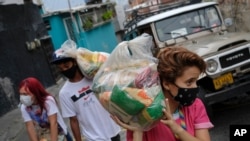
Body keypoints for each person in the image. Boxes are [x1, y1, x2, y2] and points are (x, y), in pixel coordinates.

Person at [111, 46, 214, 141]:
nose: (195, 87)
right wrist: (138, 131)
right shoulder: (144, 115)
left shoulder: (195, 106)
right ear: (167, 84)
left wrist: (177, 130)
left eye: (196, 81)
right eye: (189, 82)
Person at [50, 48, 121, 141]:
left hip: (113, 130)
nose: (64, 70)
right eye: (60, 68)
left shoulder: (94, 77)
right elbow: (73, 120)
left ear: (74, 62)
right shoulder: (64, 93)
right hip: (93, 138)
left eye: (66, 66)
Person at [19, 77, 73, 141]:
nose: (22, 97)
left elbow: (53, 123)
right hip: (45, 134)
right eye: (21, 94)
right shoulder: (24, 107)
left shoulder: (48, 101)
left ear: (35, 92)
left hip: (60, 132)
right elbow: (30, 127)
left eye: (25, 94)